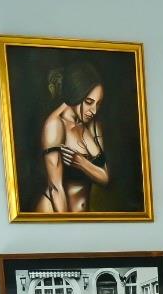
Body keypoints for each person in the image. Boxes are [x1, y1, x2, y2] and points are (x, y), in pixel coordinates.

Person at [36, 62, 109, 213]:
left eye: (98, 104)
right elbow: (55, 188)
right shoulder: (55, 125)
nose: (94, 111)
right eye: (89, 102)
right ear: (76, 94)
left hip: (80, 219)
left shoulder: (92, 124)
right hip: (55, 214)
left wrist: (82, 163)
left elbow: (105, 177)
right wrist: (67, 224)